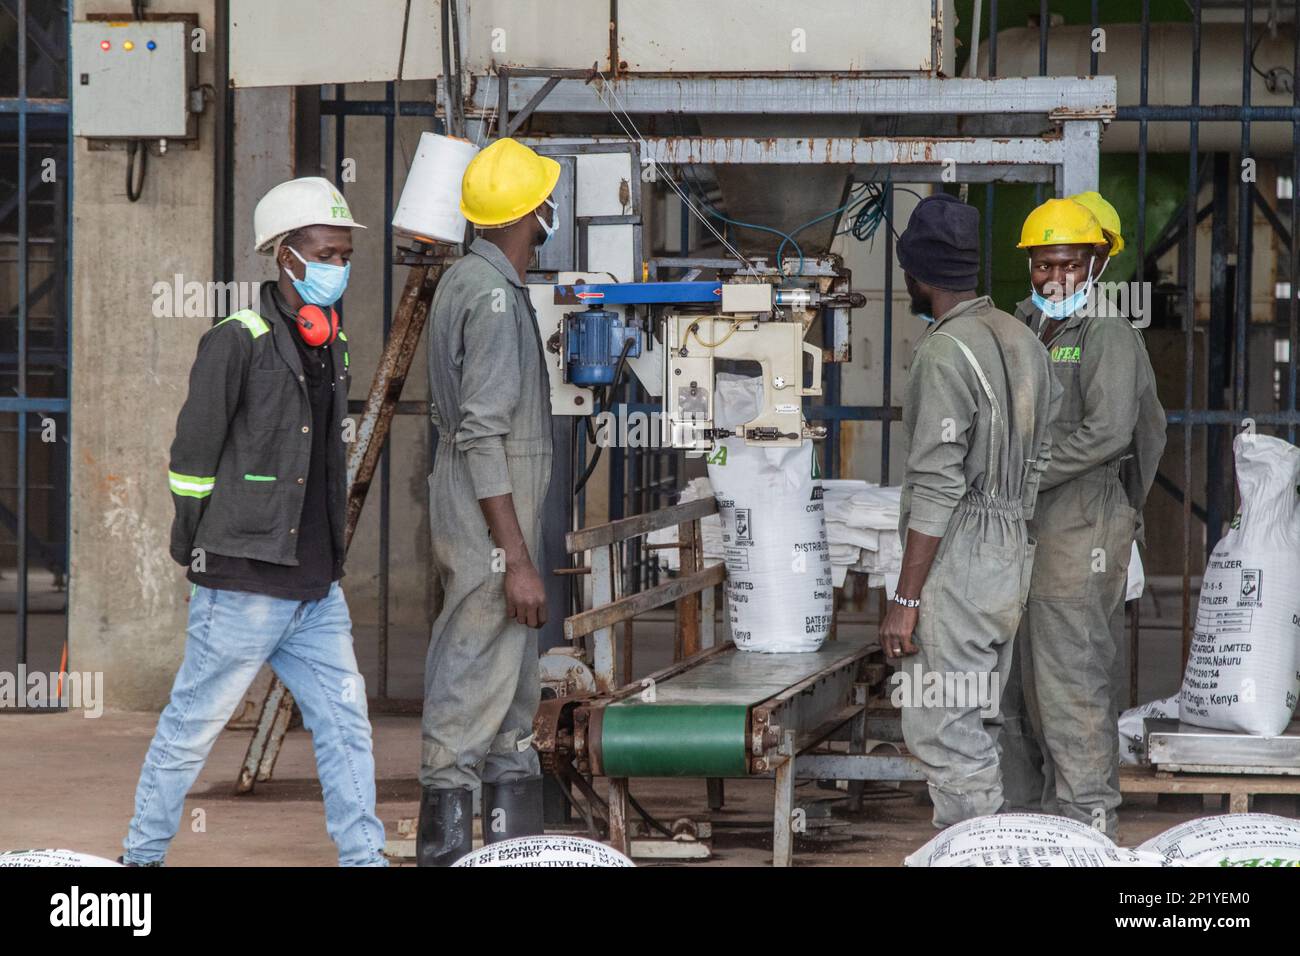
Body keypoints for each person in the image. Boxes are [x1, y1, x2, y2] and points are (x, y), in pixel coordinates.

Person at [122, 178, 387, 866]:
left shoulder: (332, 343)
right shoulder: (236, 340)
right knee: (191, 728)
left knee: (346, 726)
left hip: (315, 589)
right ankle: (140, 861)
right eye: (327, 252)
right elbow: (191, 460)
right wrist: (197, 546)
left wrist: (328, 559)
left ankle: (364, 859)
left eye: (346, 253)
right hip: (241, 582)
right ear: (285, 256)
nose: (340, 266)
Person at [881, 193, 1061, 828]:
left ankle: (981, 846)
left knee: (941, 726)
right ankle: (990, 837)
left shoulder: (944, 352)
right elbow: (1044, 453)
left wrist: (905, 601)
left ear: (919, 274)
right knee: (977, 711)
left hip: (959, 557)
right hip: (1011, 550)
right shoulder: (1023, 338)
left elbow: (936, 486)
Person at [1000, 195, 1166, 839]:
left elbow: (1110, 434)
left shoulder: (1108, 333)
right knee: (1018, 682)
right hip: (1022, 531)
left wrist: (1026, 475)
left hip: (1081, 528)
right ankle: (1028, 826)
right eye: (1043, 264)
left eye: (1069, 263)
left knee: (1071, 677)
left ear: (1096, 263)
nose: (1054, 277)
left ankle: (1088, 825)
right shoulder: (1021, 327)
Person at [417, 137, 560, 866]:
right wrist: (519, 559)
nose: (546, 216)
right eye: (541, 204)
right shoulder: (496, 300)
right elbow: (483, 435)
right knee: (472, 673)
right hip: (489, 521)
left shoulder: (465, 281)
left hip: (475, 507)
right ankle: (443, 850)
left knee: (510, 692)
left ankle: (511, 851)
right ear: (530, 212)